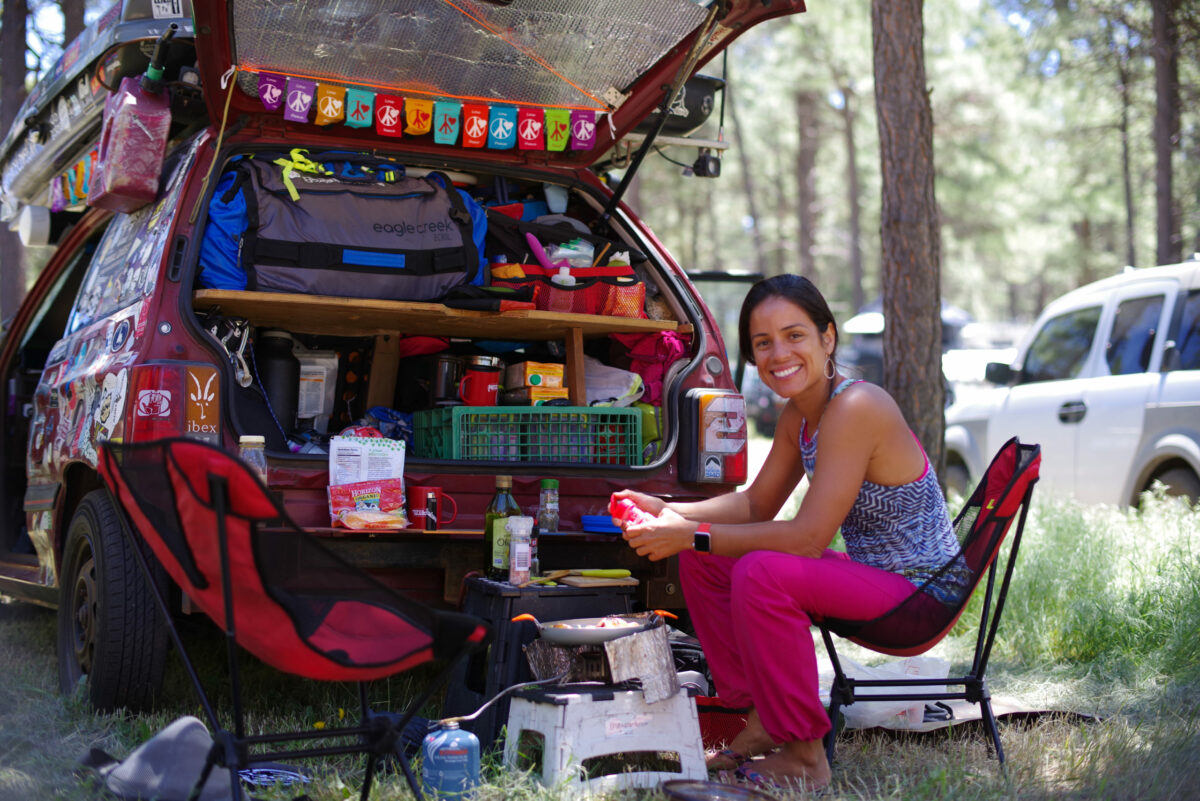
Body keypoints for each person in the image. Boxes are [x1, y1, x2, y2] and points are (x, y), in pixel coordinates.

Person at [611, 274, 963, 790]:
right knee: (708, 559)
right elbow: (756, 502)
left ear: (828, 337)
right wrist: (670, 510)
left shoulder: (857, 406)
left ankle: (804, 755)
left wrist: (690, 533)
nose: (779, 353)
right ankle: (754, 716)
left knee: (762, 570)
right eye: (763, 342)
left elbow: (805, 540)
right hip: (874, 576)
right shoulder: (800, 415)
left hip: (918, 594)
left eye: (794, 335)